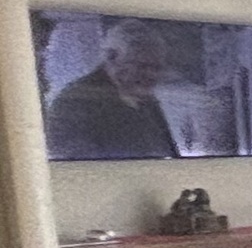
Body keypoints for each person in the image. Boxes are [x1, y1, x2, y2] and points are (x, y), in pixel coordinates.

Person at [43, 18, 181, 160]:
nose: (151, 75)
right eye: (141, 66)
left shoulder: (147, 101)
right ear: (111, 57)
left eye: (156, 68)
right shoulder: (74, 102)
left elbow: (169, 151)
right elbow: (75, 164)